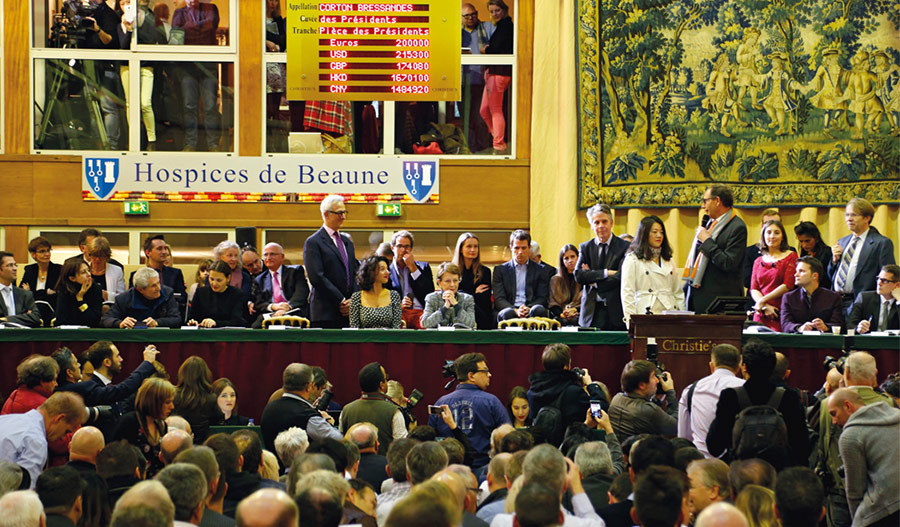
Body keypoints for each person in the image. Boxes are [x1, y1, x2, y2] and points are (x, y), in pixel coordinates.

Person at [816, 352, 893, 527]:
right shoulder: (888, 405)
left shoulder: (828, 404)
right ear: (875, 374)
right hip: (879, 494)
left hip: (839, 489)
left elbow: (823, 447)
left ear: (847, 373)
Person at [706, 339, 809, 469]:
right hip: (778, 475)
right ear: (772, 367)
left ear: (744, 367)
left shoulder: (730, 397)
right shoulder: (788, 398)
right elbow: (803, 447)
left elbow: (714, 446)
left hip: (741, 474)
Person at [830, 388, 900, 527]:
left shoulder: (850, 436)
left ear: (848, 406)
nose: (833, 421)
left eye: (834, 414)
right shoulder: (896, 415)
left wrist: (859, 521)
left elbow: (855, 490)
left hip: (882, 512)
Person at [490, 444, 604, 527]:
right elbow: (597, 523)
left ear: (523, 484)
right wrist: (576, 487)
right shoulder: (578, 525)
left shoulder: (500, 523)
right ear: (565, 486)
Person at [429, 353, 510, 470]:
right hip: (484, 469)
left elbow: (431, 440)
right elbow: (508, 436)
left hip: (447, 470)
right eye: (485, 371)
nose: (490, 374)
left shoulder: (441, 403)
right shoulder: (492, 402)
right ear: (471, 376)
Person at [683, 184, 748, 314]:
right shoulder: (709, 223)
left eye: (705, 201)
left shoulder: (737, 227)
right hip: (698, 297)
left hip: (720, 303)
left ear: (717, 201)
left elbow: (728, 263)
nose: (702, 206)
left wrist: (707, 241)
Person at [0, 392, 86, 487]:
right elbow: (26, 492)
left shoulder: (4, 419)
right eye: (66, 431)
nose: (63, 437)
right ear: (60, 418)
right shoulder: (36, 441)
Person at [828, 198, 896, 315]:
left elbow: (888, 276)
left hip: (861, 303)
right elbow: (831, 275)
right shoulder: (842, 242)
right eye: (847, 215)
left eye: (854, 215)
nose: (849, 219)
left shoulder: (881, 243)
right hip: (836, 302)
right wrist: (834, 261)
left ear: (867, 218)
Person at [527, 343, 609, 439]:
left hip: (541, 447)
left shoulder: (533, 391)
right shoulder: (573, 392)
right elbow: (600, 410)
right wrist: (591, 384)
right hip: (567, 447)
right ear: (566, 367)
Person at [677, 343, 744, 458]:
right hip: (736, 463)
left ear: (711, 366)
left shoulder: (691, 390)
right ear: (739, 367)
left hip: (699, 462)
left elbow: (683, 437)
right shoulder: (745, 389)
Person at [170, 0, 221, 151]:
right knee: (189, 106)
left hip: (208, 65)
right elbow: (176, 34)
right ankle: (190, 143)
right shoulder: (180, 11)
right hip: (187, 66)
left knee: (210, 106)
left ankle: (213, 144)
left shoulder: (211, 8)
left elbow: (208, 26)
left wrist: (187, 26)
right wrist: (184, 16)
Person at [260, 363, 342, 454]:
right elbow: (338, 439)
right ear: (309, 387)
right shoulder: (308, 416)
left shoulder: (268, 409)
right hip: (301, 466)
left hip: (273, 466)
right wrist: (328, 422)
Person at [304, 195, 359, 328]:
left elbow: (355, 273)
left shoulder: (347, 242)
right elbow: (317, 277)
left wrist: (352, 300)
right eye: (339, 213)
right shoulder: (313, 242)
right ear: (326, 214)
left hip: (348, 312)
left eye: (345, 212)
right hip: (325, 312)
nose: (343, 217)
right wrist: (341, 300)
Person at [620, 215, 684, 328]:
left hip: (669, 313)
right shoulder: (633, 259)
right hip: (645, 314)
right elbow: (627, 294)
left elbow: (677, 292)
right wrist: (630, 322)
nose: (659, 236)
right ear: (644, 234)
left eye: (661, 232)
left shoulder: (668, 259)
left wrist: (683, 317)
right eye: (654, 232)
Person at [575, 204, 629, 330]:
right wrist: (606, 273)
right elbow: (579, 275)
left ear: (611, 222)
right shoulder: (585, 247)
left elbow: (621, 277)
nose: (600, 226)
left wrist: (594, 281)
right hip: (590, 314)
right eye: (596, 222)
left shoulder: (625, 247)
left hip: (615, 312)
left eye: (604, 221)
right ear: (592, 226)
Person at [113, 377, 176, 479]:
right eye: (167, 402)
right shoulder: (129, 422)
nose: (172, 407)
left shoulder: (162, 425)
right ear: (154, 402)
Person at [339, 363, 407, 455]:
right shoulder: (394, 412)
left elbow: (342, 444)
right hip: (384, 468)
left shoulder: (346, 410)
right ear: (381, 385)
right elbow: (402, 447)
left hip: (353, 467)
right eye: (386, 378)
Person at [608, 360, 676, 440]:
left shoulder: (617, 398)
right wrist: (670, 392)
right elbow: (676, 427)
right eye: (653, 376)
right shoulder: (649, 410)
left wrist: (656, 399)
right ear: (642, 385)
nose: (657, 380)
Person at [749, 220, 797, 331]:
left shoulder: (791, 256)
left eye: (776, 232)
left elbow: (788, 285)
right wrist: (764, 305)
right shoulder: (758, 260)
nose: (772, 236)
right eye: (768, 232)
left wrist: (762, 301)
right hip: (762, 312)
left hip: (780, 311)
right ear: (763, 235)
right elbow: (754, 288)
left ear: (782, 236)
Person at [479, 0, 513, 154]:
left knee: (495, 110)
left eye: (497, 10)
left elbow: (496, 48)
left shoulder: (506, 26)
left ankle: (498, 145)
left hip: (499, 73)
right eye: (491, 11)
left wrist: (486, 50)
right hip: (493, 72)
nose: (494, 14)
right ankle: (498, 138)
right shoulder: (500, 27)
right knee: (484, 110)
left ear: (504, 10)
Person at [493, 230, 550, 322]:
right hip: (510, 308)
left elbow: (542, 297)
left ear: (529, 248)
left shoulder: (541, 270)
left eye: (523, 248)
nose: (520, 252)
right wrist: (516, 310)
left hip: (531, 308)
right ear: (511, 247)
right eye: (516, 248)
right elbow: (499, 299)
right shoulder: (500, 270)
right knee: (507, 313)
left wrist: (528, 308)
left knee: (538, 310)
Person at [250, 243, 310, 327]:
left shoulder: (295, 271)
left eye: (272, 254)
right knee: (255, 326)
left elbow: (301, 293)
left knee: (287, 323)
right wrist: (273, 306)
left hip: (293, 311)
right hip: (271, 313)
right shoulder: (259, 279)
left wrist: (287, 307)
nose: (268, 258)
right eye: (265, 255)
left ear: (282, 257)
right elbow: (258, 303)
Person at [101, 267, 182, 328]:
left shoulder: (167, 293)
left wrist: (157, 322)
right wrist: (119, 323)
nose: (159, 288)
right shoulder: (124, 299)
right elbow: (105, 320)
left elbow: (176, 319)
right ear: (140, 289)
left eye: (158, 283)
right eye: (153, 285)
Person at [780, 257, 843, 333]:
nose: (796, 274)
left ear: (815, 276)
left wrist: (826, 327)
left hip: (825, 342)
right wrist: (799, 328)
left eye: (801, 271)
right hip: (797, 341)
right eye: (796, 271)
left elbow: (839, 324)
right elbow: (785, 324)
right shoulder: (789, 297)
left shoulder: (833, 297)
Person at [387, 231, 434, 329]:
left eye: (407, 246)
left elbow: (429, 293)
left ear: (411, 248)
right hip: (398, 313)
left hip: (421, 312)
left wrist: (413, 267)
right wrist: (399, 306)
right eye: (399, 246)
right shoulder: (387, 271)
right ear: (393, 248)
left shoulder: (423, 267)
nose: (403, 250)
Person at [129, 235, 188, 309]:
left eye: (165, 248)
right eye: (159, 249)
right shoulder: (136, 275)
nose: (164, 252)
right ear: (148, 253)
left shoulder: (175, 273)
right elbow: (132, 299)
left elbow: (182, 299)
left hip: (169, 314)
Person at [173, 357, 223, 444]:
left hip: (178, 443)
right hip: (203, 445)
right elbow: (219, 421)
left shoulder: (172, 395)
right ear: (205, 375)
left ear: (182, 373)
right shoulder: (211, 398)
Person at [187, 260, 247, 328]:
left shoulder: (237, 294)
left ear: (228, 278)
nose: (214, 283)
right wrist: (193, 322)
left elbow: (238, 321)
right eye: (211, 279)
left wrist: (216, 323)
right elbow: (191, 317)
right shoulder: (200, 293)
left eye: (219, 280)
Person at [452, 232, 494, 329]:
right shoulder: (452, 270)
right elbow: (453, 296)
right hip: (457, 312)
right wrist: (475, 293)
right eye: (469, 246)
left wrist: (464, 294)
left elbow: (484, 299)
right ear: (461, 249)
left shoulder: (485, 271)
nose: (473, 250)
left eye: (475, 247)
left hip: (481, 314)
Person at [742, 209, 790, 291]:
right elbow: (746, 281)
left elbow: (792, 282)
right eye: (768, 223)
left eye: (776, 223)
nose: (772, 226)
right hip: (756, 299)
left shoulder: (790, 253)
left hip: (783, 299)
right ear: (762, 227)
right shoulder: (749, 252)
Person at [350, 257, 403, 329]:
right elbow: (354, 328)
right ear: (371, 272)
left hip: (389, 339)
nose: (387, 272)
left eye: (387, 269)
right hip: (365, 339)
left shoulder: (394, 295)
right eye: (382, 269)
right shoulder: (357, 297)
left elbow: (396, 327)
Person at [19, 236, 61, 325]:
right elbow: (22, 293)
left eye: (48, 250)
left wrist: (31, 292)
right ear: (33, 254)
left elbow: (57, 295)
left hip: (52, 310)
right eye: (42, 251)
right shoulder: (30, 270)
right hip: (32, 309)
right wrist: (46, 292)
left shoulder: (58, 269)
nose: (47, 254)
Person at [422, 262, 476, 329]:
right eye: (447, 281)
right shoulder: (432, 298)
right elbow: (425, 323)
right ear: (439, 283)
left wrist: (456, 305)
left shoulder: (467, 299)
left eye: (455, 281)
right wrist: (444, 308)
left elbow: (471, 323)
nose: (452, 285)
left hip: (460, 338)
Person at [848, 264, 900, 333]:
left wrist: (899, 301)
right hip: (868, 342)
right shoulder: (864, 298)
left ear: (897, 285)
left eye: (884, 280)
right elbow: (850, 324)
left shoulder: (899, 302)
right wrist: (858, 328)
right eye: (878, 278)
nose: (879, 283)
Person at [54, 259, 104, 327]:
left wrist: (80, 299)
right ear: (72, 278)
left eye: (88, 270)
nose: (89, 274)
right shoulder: (64, 291)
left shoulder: (96, 289)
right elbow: (61, 320)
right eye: (83, 272)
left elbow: (94, 320)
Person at [0, 251, 41, 327]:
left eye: (15, 265)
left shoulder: (25, 294)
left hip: (22, 336)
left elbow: (35, 318)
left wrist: (5, 319)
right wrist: (24, 317)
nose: (15, 268)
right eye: (10, 265)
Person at [212, 241, 253, 311]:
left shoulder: (245, 276)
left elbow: (245, 297)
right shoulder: (211, 275)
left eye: (236, 256)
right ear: (220, 257)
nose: (234, 259)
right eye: (230, 255)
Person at [549, 244, 583, 326]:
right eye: (566, 258)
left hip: (579, 313)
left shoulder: (584, 278)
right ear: (562, 261)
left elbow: (587, 302)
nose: (570, 261)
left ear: (578, 257)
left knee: (577, 320)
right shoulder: (555, 279)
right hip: (561, 315)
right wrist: (562, 314)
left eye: (572, 257)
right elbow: (552, 304)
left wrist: (574, 310)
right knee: (563, 322)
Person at [87, 237, 126, 303]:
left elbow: (123, 297)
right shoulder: (83, 269)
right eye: (95, 256)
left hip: (109, 307)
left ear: (107, 256)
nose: (97, 259)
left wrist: (108, 295)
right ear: (90, 255)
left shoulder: (117, 271)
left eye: (101, 256)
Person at [794, 222, 832, 287]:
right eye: (801, 241)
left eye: (807, 241)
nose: (804, 245)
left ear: (816, 238)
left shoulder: (827, 252)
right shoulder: (804, 254)